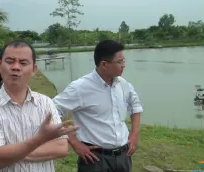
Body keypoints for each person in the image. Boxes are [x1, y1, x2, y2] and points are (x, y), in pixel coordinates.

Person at [0, 40, 78, 172]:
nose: (16, 67)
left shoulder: (45, 103)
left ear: (34, 70)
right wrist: (40, 139)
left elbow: (61, 148)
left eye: (23, 63)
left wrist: (13, 153)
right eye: (10, 61)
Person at [53, 40, 143, 172]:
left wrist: (135, 133)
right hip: (95, 160)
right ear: (104, 64)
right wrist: (74, 142)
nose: (124, 65)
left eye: (123, 60)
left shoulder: (123, 84)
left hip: (123, 156)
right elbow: (51, 110)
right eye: (120, 62)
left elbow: (135, 105)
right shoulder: (80, 88)